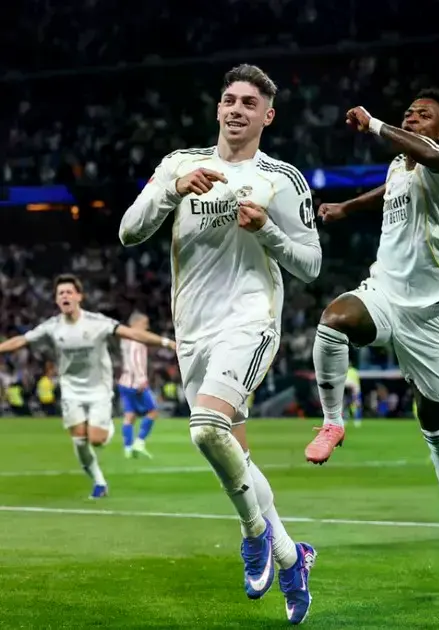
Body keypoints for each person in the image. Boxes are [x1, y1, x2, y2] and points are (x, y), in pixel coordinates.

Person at [117, 64, 321, 625]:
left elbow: (311, 263)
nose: (236, 109)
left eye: (249, 103)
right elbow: (129, 230)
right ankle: (290, 556)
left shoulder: (282, 178)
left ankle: (254, 533)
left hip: (250, 321)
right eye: (229, 99)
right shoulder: (179, 165)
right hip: (193, 330)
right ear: (218, 108)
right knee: (234, 452)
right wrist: (172, 191)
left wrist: (267, 232)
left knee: (207, 427)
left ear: (267, 115)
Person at [306, 88, 439, 572]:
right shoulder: (400, 166)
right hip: (384, 293)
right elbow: (388, 191)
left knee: (437, 427)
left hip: (431, 312)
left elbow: (420, 153)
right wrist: (346, 209)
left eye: (424, 115)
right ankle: (334, 421)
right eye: (409, 112)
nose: (412, 117)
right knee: (333, 322)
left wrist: (378, 124)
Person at [0, 275, 174, 498]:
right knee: (79, 440)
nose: (65, 296)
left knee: (97, 439)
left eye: (69, 292)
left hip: (99, 389)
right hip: (71, 389)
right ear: (56, 300)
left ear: (79, 296)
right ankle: (99, 483)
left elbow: (133, 334)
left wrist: (167, 342)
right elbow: (21, 340)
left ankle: (108, 426)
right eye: (60, 293)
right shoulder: (52, 327)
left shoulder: (97, 322)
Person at [118, 313, 160, 459]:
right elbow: (135, 359)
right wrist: (142, 379)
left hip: (124, 381)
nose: (147, 327)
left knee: (129, 415)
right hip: (136, 383)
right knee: (153, 412)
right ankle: (139, 442)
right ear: (135, 324)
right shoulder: (137, 339)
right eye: (144, 323)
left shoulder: (125, 339)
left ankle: (128, 448)